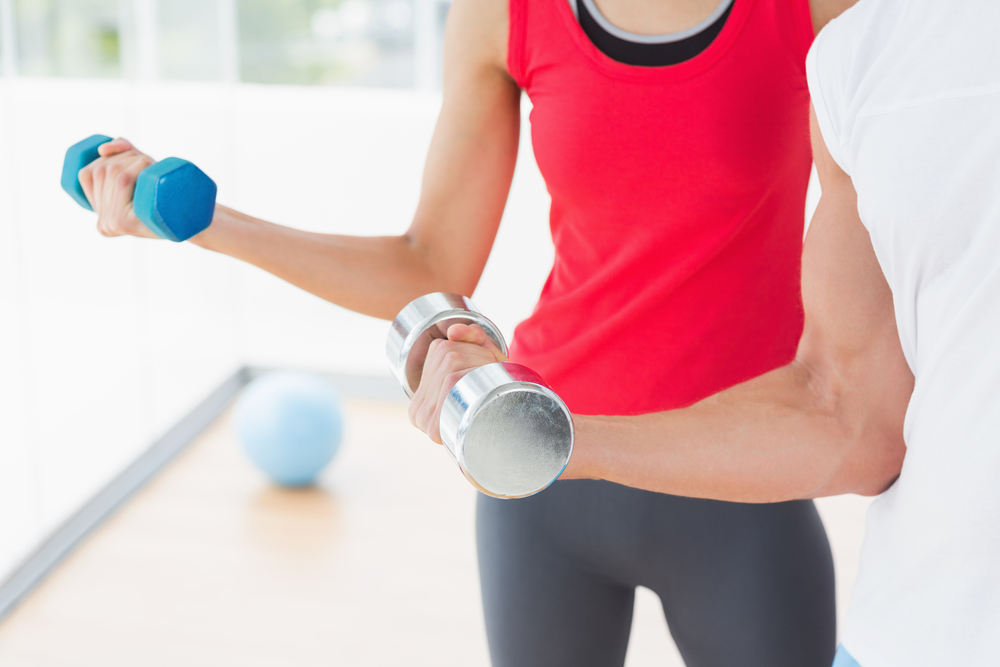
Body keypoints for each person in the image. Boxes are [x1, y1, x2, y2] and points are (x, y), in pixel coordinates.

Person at [80, 0, 855, 664]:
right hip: (540, 464)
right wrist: (211, 225)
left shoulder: (816, 12)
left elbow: (870, 281)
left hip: (740, 478)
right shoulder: (506, 14)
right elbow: (430, 261)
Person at [410, 1, 1000, 665]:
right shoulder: (866, 51)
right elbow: (844, 410)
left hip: (748, 506)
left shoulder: (822, 22)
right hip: (899, 633)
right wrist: (541, 432)